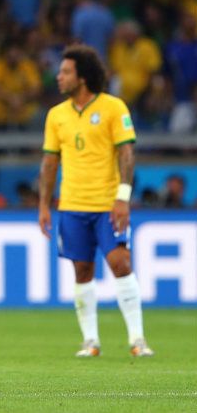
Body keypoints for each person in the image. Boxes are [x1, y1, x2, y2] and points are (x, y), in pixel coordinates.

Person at [39, 44, 153, 358]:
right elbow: (50, 163)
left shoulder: (114, 107)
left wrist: (123, 198)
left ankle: (137, 339)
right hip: (73, 206)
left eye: (65, 72)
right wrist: (44, 205)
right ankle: (91, 341)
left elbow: (127, 153)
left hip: (107, 204)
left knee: (120, 263)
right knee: (82, 271)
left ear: (83, 76)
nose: (58, 77)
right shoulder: (56, 115)